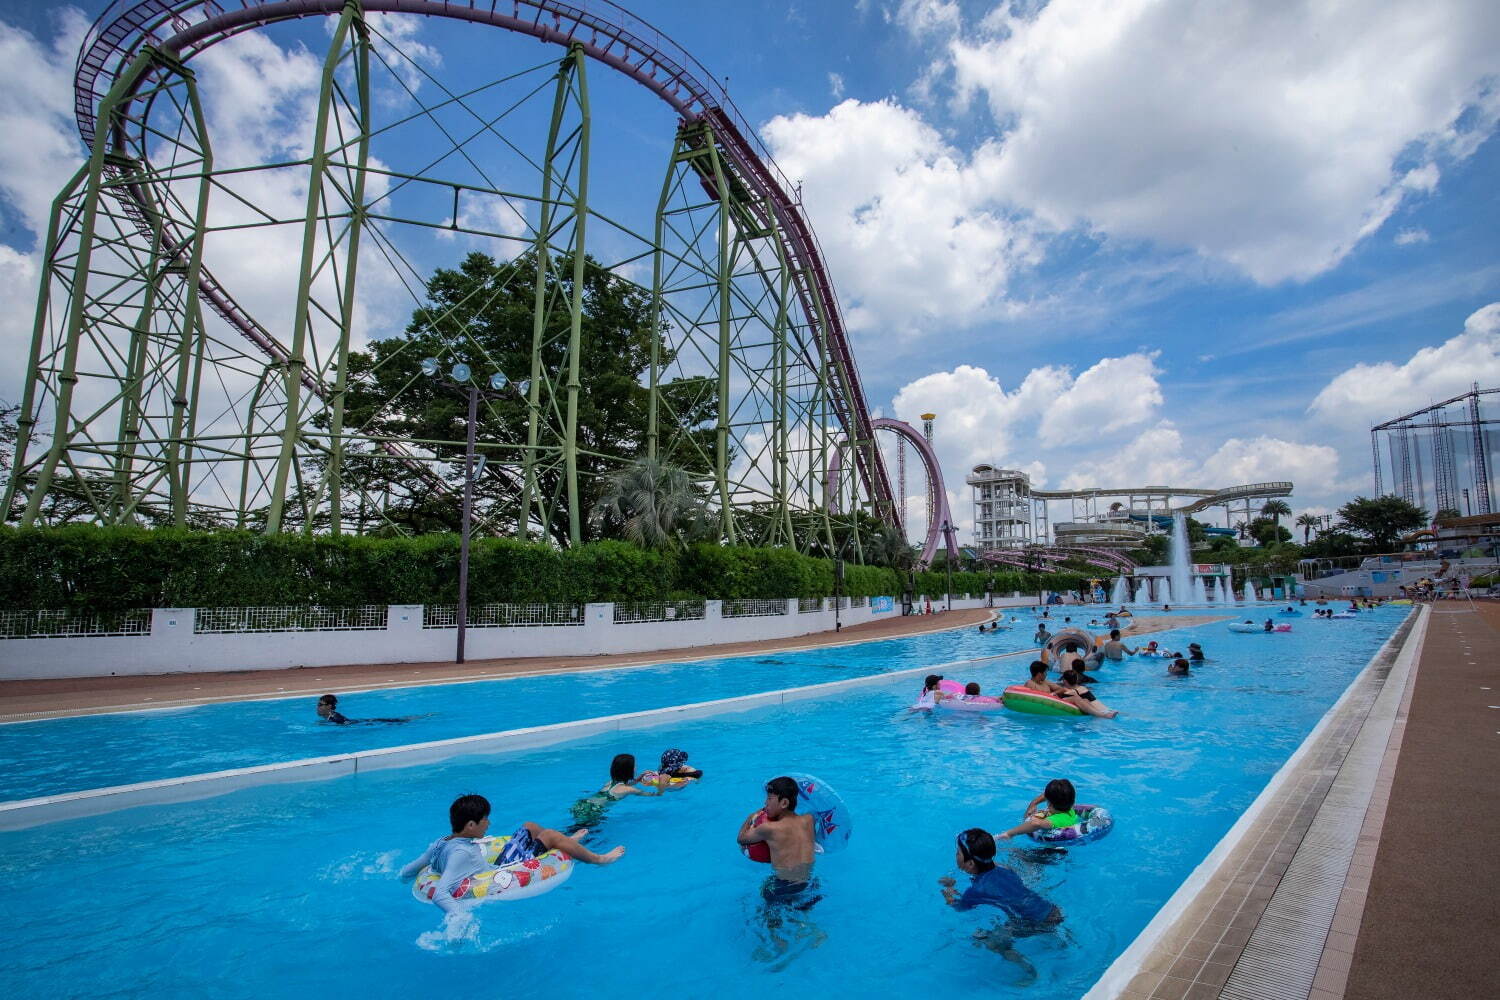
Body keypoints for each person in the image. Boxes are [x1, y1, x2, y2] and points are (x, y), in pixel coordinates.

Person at [399, 794, 624, 914]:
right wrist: (459, 917)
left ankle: (566, 843)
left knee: (530, 826)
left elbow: (412, 869)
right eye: (485, 819)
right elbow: (440, 893)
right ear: (470, 825)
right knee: (551, 836)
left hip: (500, 863)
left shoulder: (440, 842)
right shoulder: (460, 854)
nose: (489, 823)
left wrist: (403, 877)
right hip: (503, 872)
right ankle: (599, 859)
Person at [939, 828, 1062, 975]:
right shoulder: (1005, 870)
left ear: (970, 864)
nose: (956, 855)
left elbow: (958, 906)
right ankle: (1061, 941)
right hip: (1052, 909)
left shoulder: (977, 890)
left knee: (991, 942)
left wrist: (949, 889)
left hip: (1035, 922)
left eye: (958, 853)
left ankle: (1030, 972)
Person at [738, 776, 822, 957]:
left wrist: (751, 817)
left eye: (769, 799)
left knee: (769, 913)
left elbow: (742, 839)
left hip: (782, 886)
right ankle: (810, 932)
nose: (765, 803)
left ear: (784, 802)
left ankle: (778, 946)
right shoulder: (808, 820)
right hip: (810, 883)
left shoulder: (768, 829)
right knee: (799, 910)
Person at [568, 753, 661, 832]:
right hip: (592, 812)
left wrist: (638, 779)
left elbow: (624, 785)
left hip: (582, 804)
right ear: (629, 770)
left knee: (574, 829)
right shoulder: (630, 790)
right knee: (585, 835)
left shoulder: (610, 782)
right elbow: (656, 795)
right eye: (635, 766)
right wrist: (663, 785)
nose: (636, 767)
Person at [996, 778, 1080, 840]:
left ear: (1049, 804)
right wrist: (1034, 803)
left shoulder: (1056, 820)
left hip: (1054, 850)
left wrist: (1009, 833)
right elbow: (1049, 795)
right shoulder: (1070, 808)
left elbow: (1035, 824)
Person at [315, 693, 418, 726]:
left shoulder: (335, 717)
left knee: (393, 722)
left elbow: (347, 725)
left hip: (364, 723)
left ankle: (412, 719)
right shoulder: (330, 717)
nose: (317, 707)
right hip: (361, 722)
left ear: (329, 706)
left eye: (320, 704)